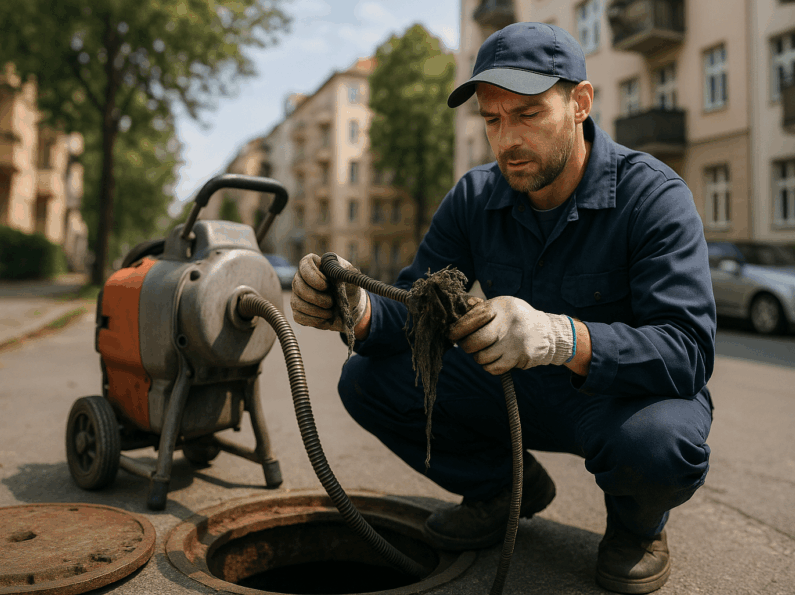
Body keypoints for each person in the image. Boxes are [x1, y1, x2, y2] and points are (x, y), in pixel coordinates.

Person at [291, 21, 714, 595]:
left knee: (660, 443)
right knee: (368, 379)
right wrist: (357, 308)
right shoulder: (474, 198)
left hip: (615, 402)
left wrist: (562, 337)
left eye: (529, 113)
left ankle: (637, 528)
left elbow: (687, 351)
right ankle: (502, 490)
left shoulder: (653, 197)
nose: (507, 138)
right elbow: (418, 313)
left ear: (580, 102)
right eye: (493, 119)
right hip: (517, 390)